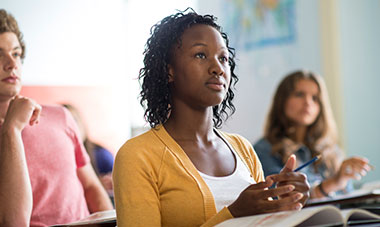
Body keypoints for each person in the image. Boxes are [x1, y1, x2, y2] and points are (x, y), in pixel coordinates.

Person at [112, 9, 310, 227]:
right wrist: (233, 214)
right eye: (200, 55)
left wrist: (283, 201)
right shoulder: (137, 156)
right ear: (169, 71)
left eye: (223, 58)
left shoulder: (242, 148)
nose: (218, 68)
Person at [0, 9, 113, 227]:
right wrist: (12, 129)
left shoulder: (61, 116)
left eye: (15, 53)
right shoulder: (9, 132)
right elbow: (11, 222)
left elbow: (90, 186)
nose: (12, 64)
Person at [254, 70, 372, 199]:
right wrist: (332, 184)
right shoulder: (264, 150)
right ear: (282, 101)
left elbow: (347, 198)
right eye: (299, 94)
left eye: (315, 98)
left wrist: (345, 177)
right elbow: (277, 198)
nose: (308, 102)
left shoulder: (331, 151)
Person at [62, 103, 114, 194]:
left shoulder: (101, 154)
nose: (71, 128)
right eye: (63, 123)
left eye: (74, 121)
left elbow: (119, 180)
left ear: (82, 124)